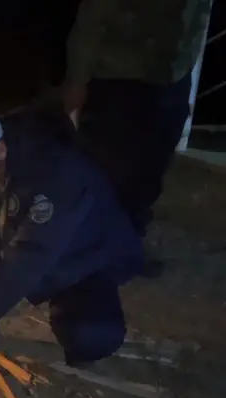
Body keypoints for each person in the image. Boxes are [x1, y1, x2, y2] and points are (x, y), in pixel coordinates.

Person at [0, 107, 144, 369]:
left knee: (91, 333)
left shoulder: (56, 175)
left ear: (0, 150)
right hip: (16, 238)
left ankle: (82, 330)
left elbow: (25, 259)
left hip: (81, 256)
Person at [62, 0, 213, 276]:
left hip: (172, 74)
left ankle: (126, 247)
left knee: (150, 172)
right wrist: (77, 80)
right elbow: (93, 16)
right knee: (105, 174)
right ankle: (87, 255)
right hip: (119, 76)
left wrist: (186, 66)